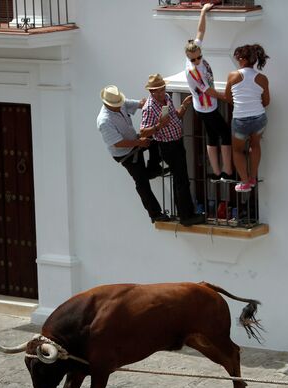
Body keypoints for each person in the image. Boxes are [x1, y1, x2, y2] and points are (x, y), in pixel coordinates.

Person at [97, 85, 170, 223]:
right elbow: (117, 143)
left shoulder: (120, 103)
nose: (120, 106)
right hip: (125, 153)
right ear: (107, 104)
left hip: (134, 141)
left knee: (156, 140)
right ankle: (155, 214)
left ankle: (153, 168)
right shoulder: (104, 121)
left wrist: (154, 102)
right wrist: (139, 143)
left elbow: (140, 104)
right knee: (141, 182)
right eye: (116, 105)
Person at [140, 73, 204, 226]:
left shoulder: (166, 99)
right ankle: (186, 216)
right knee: (181, 181)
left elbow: (175, 116)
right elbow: (143, 132)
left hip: (177, 143)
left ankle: (186, 214)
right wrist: (158, 126)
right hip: (168, 146)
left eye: (163, 88)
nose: (162, 92)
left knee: (180, 180)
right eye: (159, 90)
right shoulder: (149, 108)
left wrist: (184, 105)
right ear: (152, 92)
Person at [184, 3, 233, 181]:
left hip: (205, 105)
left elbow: (200, 32)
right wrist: (227, 98)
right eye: (194, 59)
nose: (197, 60)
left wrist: (203, 11)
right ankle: (227, 172)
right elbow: (209, 91)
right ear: (189, 58)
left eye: (199, 57)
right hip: (206, 106)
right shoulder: (193, 71)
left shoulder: (194, 49)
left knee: (213, 135)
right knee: (225, 133)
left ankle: (219, 173)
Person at [225, 44, 270, 193]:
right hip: (259, 118)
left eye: (238, 58)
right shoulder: (262, 78)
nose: (237, 61)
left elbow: (227, 97)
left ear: (243, 59)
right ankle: (252, 178)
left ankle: (244, 182)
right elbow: (266, 102)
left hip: (240, 120)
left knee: (237, 151)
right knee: (255, 145)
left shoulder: (233, 76)